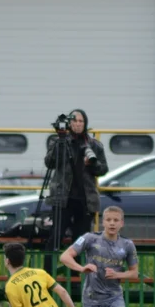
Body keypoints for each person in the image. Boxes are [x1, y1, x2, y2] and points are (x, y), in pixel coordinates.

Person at [43, 109, 109, 263]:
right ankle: (48, 275)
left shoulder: (94, 145)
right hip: (62, 198)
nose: (78, 124)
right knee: (55, 238)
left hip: (85, 200)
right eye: (75, 121)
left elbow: (103, 169)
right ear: (69, 123)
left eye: (81, 121)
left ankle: (76, 279)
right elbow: (49, 163)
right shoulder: (58, 141)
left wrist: (91, 164)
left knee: (80, 241)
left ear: (85, 124)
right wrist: (61, 140)